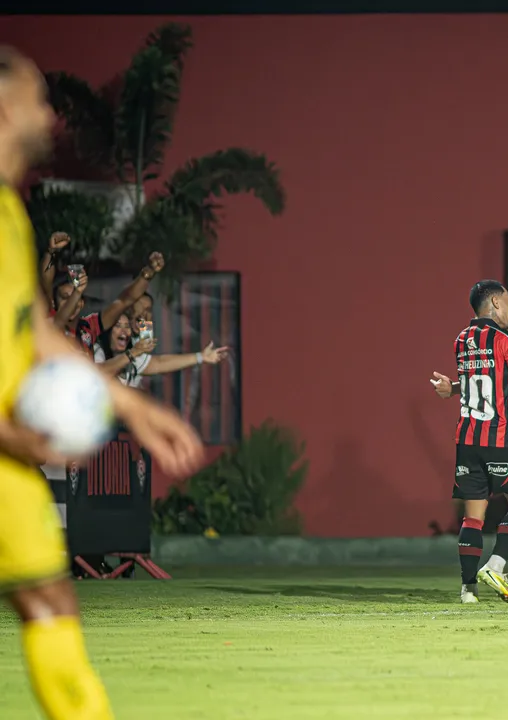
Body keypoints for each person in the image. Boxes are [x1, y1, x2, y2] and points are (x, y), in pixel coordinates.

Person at [0, 45, 203, 720]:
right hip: (9, 442)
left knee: (49, 602)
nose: (51, 115)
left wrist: (128, 404)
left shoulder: (9, 214)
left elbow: (38, 333)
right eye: (36, 99)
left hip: (10, 460)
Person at [430, 280, 508, 604]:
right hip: (502, 438)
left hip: (468, 440)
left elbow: (482, 379)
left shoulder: (462, 340)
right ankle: (496, 564)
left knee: (472, 517)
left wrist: (451, 388)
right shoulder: (505, 340)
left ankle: (468, 589)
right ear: (495, 302)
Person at [49, 254, 164, 355]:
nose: (72, 303)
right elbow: (58, 322)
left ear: (82, 303)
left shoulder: (88, 328)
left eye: (75, 298)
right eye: (65, 298)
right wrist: (77, 292)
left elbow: (124, 301)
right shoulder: (47, 328)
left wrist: (149, 271)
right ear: (53, 303)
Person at [94, 313, 230, 388]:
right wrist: (133, 352)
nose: (124, 330)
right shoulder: (96, 351)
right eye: (118, 326)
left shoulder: (133, 354)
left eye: (127, 326)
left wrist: (200, 357)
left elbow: (159, 362)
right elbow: (99, 372)